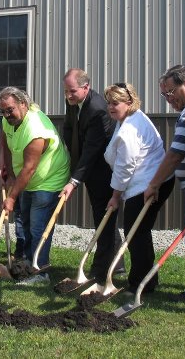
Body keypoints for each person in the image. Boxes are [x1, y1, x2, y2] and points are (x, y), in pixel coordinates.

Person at [103, 82, 175, 294]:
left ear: (129, 102)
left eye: (116, 103)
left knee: (136, 234)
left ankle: (139, 285)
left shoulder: (129, 131)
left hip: (146, 185)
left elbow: (125, 168)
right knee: (139, 232)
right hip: (150, 180)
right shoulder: (131, 118)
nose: (111, 107)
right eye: (109, 103)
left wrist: (115, 196)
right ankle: (147, 281)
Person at [0, 86, 70, 284]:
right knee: (26, 222)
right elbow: (6, 139)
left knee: (38, 227)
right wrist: (8, 171)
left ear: (23, 104)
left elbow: (29, 168)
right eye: (2, 111)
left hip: (48, 179)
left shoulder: (36, 129)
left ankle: (40, 271)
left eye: (9, 109)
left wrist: (11, 197)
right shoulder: (8, 119)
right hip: (28, 178)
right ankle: (28, 263)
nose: (6, 114)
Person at [144, 65, 185, 305]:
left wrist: (154, 184)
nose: (168, 99)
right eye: (164, 94)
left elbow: (176, 155)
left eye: (171, 92)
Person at [60, 68, 125, 284]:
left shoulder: (98, 109)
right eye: (66, 91)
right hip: (89, 167)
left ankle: (101, 269)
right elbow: (68, 129)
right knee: (104, 219)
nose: (68, 96)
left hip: (104, 172)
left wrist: (74, 180)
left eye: (72, 91)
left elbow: (92, 149)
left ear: (86, 87)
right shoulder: (74, 102)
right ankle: (117, 264)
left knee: (104, 217)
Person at [0, 142, 25, 260]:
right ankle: (21, 249)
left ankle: (25, 250)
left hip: (26, 177)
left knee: (25, 214)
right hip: (11, 176)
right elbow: (4, 149)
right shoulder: (8, 126)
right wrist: (1, 173)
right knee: (19, 213)